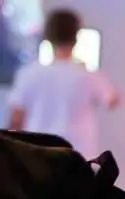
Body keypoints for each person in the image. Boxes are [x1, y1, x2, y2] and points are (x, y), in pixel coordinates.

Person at [6, 8, 119, 159]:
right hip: (78, 158)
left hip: (37, 156)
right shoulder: (87, 74)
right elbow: (112, 100)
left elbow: (16, 119)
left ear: (47, 36)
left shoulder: (29, 73)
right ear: (76, 37)